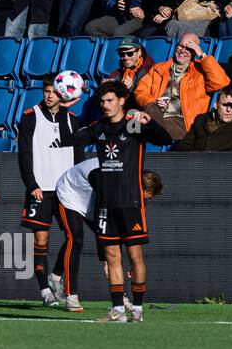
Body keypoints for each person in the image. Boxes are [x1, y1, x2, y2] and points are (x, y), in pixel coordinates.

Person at [67, 81, 171, 323]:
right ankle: (117, 311)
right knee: (113, 256)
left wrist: (149, 121)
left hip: (130, 202)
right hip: (105, 204)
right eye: (102, 101)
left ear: (122, 101)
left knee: (135, 256)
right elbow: (75, 138)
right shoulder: (100, 127)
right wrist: (67, 109)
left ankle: (137, 309)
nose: (105, 105)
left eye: (110, 100)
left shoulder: (132, 125)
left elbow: (164, 138)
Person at [16, 78, 84, 307]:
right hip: (40, 189)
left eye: (54, 92)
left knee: (73, 236)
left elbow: (79, 155)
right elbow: (24, 154)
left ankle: (56, 275)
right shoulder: (30, 116)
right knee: (41, 238)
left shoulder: (72, 119)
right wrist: (31, 184)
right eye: (46, 92)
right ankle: (45, 290)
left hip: (66, 189)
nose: (49, 96)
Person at [133, 32, 229, 140]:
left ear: (194, 52)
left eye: (189, 48)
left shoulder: (201, 71)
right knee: (132, 124)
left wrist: (202, 55)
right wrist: (153, 103)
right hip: (155, 113)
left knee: (141, 129)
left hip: (182, 121)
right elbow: (140, 91)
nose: (183, 50)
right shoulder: (159, 68)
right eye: (181, 46)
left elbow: (221, 82)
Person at [50, 157, 100, 313]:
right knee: (75, 240)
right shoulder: (101, 172)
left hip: (90, 200)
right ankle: (71, 296)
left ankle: (121, 297)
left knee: (111, 243)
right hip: (70, 194)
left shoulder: (127, 174)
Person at [102, 37, 154, 106]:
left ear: (139, 52)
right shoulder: (123, 69)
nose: (126, 57)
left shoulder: (149, 70)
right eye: (122, 54)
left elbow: (146, 99)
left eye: (130, 53)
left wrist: (131, 88)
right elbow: (114, 77)